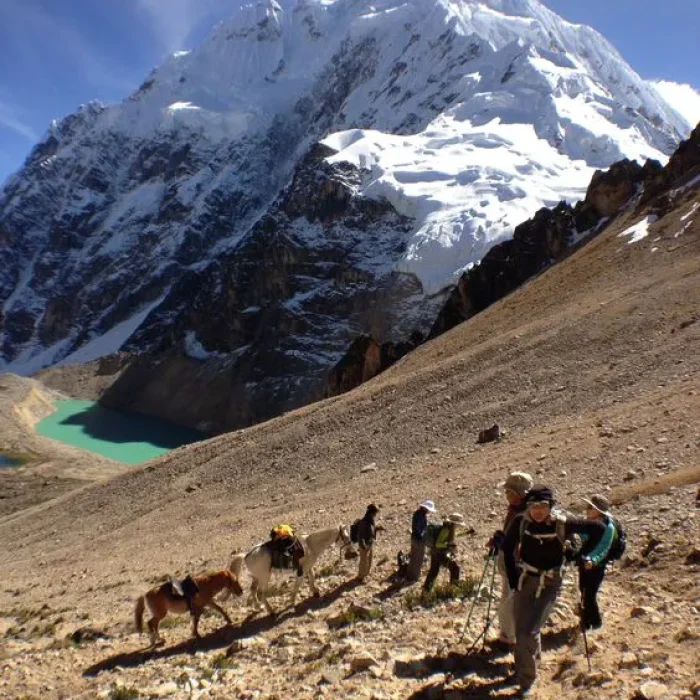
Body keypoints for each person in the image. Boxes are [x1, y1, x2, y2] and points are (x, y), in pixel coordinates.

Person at [502, 485, 605, 695]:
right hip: (525, 579)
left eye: (543, 506)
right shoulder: (521, 521)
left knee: (528, 631)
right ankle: (526, 668)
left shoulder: (562, 523)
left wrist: (576, 553)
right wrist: (513, 580)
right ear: (528, 506)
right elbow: (507, 546)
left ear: (551, 506)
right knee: (522, 630)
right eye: (533, 506)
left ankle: (526, 682)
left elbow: (599, 529)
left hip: (550, 582)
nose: (538, 511)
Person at [488, 471, 533, 649]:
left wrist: (503, 542)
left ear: (517, 494)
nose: (506, 496)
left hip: (516, 566)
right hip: (511, 564)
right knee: (508, 601)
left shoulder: (524, 514)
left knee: (510, 603)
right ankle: (509, 636)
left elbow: (521, 542)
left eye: (508, 492)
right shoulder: (517, 510)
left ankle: (509, 640)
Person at [578, 494, 617, 630]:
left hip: (597, 566)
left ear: (598, 511)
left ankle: (596, 622)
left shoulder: (609, 527)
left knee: (589, 595)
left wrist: (592, 560)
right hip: (584, 563)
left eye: (590, 507)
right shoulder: (588, 522)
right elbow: (584, 538)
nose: (587, 509)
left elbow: (603, 548)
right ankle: (586, 621)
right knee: (582, 590)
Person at [423, 513, 464, 592]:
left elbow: (455, 536)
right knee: (455, 567)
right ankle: (453, 589)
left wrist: (467, 532)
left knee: (433, 571)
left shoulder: (449, 529)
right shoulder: (446, 530)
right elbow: (438, 544)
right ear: (454, 523)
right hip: (440, 553)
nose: (458, 525)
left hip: (435, 552)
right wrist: (448, 545)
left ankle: (426, 591)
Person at [407, 499, 438, 582]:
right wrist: (424, 534)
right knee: (418, 559)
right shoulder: (421, 516)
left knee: (413, 557)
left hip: (414, 538)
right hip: (419, 540)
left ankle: (409, 575)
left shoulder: (417, 513)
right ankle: (414, 578)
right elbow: (420, 529)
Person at [355, 504, 379, 581]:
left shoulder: (371, 519)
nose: (376, 514)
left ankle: (366, 575)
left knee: (369, 560)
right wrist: (363, 545)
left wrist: (378, 528)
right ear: (371, 512)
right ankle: (361, 577)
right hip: (364, 545)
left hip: (370, 543)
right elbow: (361, 535)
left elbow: (371, 530)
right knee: (363, 562)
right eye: (375, 513)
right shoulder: (364, 522)